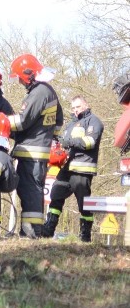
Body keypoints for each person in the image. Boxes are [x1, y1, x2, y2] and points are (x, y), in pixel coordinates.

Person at [7, 53, 63, 238]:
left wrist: (2, 121)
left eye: (20, 78)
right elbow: (58, 122)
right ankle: (32, 232)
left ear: (27, 73)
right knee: (33, 192)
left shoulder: (39, 92)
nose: (20, 83)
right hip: (39, 153)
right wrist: (46, 137)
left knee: (30, 192)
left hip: (31, 153)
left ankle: (30, 233)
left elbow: (23, 121)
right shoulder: (49, 91)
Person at [44, 96, 104, 241]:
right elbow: (64, 142)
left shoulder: (94, 121)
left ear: (85, 105)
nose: (75, 110)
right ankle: (48, 229)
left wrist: (68, 141)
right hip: (67, 167)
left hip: (83, 169)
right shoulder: (71, 124)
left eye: (78, 107)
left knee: (84, 203)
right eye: (73, 108)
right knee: (56, 194)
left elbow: (90, 142)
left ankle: (85, 235)